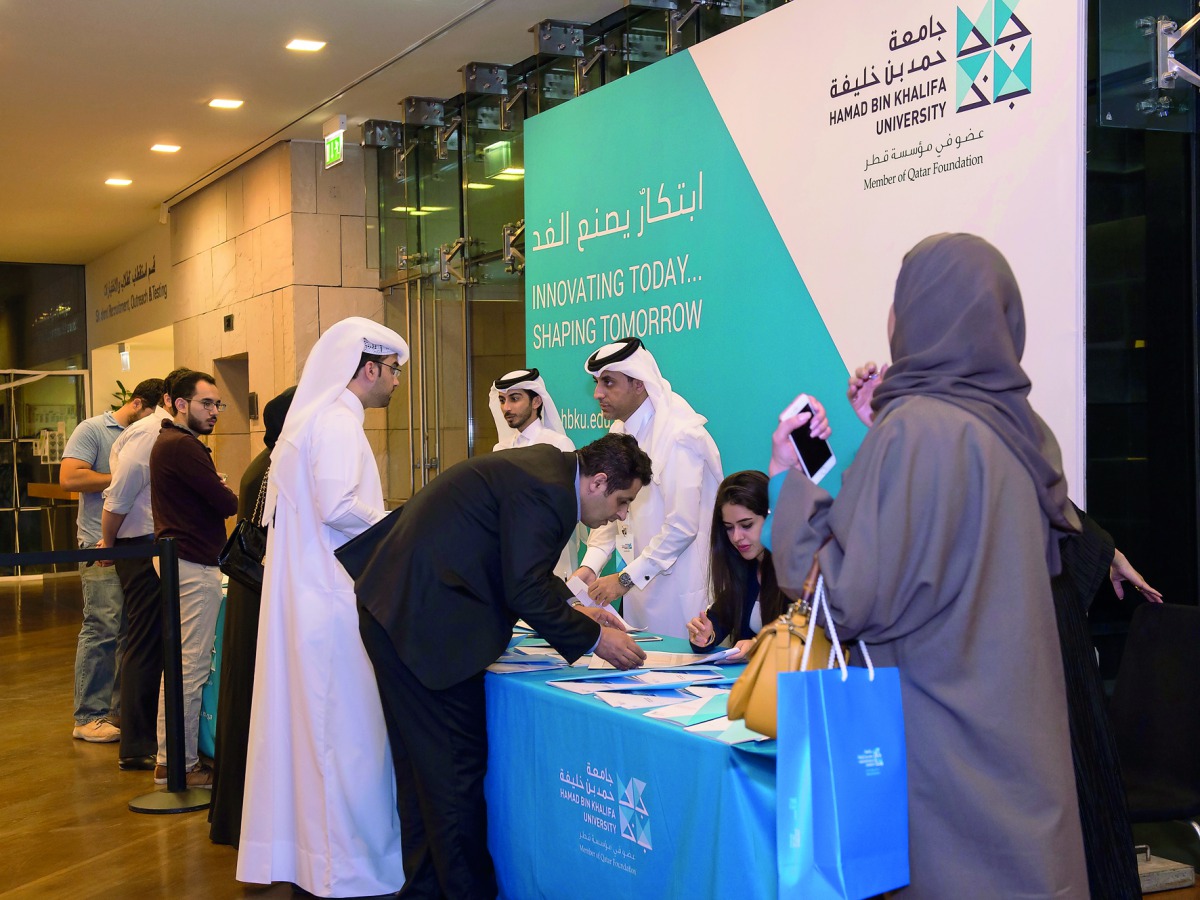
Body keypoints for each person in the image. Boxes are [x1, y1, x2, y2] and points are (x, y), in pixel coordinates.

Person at [766, 234, 1089, 897]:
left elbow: (840, 597)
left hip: (942, 759)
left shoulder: (915, 432)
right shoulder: (1019, 430)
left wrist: (792, 479)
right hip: (1016, 753)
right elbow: (914, 544)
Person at [846, 360, 1161, 898]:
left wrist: (1107, 553)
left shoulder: (985, 414)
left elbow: (1047, 500)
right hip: (991, 652)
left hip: (1035, 646)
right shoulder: (942, 430)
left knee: (1067, 797)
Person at [353, 434, 650, 900]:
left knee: (423, 775)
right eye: (623, 501)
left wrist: (577, 610)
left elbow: (522, 569)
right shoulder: (547, 492)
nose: (621, 515)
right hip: (425, 626)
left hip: (398, 609)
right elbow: (523, 591)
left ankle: (426, 890)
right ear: (597, 482)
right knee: (453, 776)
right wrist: (595, 640)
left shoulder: (548, 472)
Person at [238, 318, 409, 897]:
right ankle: (349, 867)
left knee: (317, 736)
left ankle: (312, 859)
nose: (395, 383)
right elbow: (342, 507)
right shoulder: (336, 422)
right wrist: (407, 528)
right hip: (333, 602)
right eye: (392, 371)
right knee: (347, 738)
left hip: (314, 599)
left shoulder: (316, 420)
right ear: (368, 369)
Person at [573, 338, 723, 637]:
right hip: (637, 588)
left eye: (608, 382)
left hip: (682, 588)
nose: (597, 393)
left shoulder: (679, 435)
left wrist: (625, 579)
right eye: (597, 382)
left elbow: (682, 526)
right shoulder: (619, 433)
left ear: (639, 384)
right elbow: (610, 510)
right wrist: (590, 567)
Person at [208, 385, 295, 848]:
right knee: (253, 701)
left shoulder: (265, 462)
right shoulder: (279, 465)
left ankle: (238, 816)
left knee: (244, 699)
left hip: (250, 595)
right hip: (261, 594)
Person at [148, 371, 239, 789]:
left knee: (183, 665)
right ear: (180, 403)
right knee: (190, 666)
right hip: (193, 563)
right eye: (207, 403)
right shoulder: (182, 446)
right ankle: (178, 765)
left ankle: (173, 759)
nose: (215, 411)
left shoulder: (172, 444)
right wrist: (221, 487)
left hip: (182, 560)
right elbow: (226, 501)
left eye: (218, 404)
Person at [98, 368, 190, 770]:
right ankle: (137, 744)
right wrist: (108, 541)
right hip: (141, 545)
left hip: (161, 544)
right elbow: (120, 492)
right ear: (173, 399)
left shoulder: (170, 432)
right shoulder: (151, 431)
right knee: (147, 640)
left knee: (162, 639)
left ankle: (151, 736)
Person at [60, 378, 162, 743]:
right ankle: (88, 715)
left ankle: (118, 713)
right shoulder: (93, 429)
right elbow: (69, 478)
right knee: (101, 627)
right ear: (138, 405)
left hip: (135, 547)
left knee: (131, 632)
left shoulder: (151, 434)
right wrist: (123, 478)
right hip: (98, 544)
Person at [685, 471, 791, 658]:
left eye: (747, 525)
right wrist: (705, 635)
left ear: (771, 518)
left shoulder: (798, 573)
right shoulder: (745, 569)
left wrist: (761, 645)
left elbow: (809, 637)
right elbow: (719, 621)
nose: (736, 537)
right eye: (728, 528)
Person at [489, 368, 581, 579]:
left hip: (554, 560)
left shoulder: (559, 445)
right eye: (502, 400)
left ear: (537, 401)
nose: (506, 408)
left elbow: (573, 507)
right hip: (511, 558)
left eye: (514, 399)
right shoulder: (500, 450)